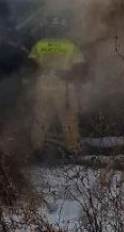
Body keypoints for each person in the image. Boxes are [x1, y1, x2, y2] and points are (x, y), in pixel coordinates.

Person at [27, 27, 87, 157]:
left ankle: (36, 148)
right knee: (68, 117)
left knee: (41, 117)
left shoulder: (40, 44)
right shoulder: (70, 45)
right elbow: (80, 66)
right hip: (63, 85)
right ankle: (73, 149)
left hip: (43, 85)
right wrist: (70, 75)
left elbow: (31, 65)